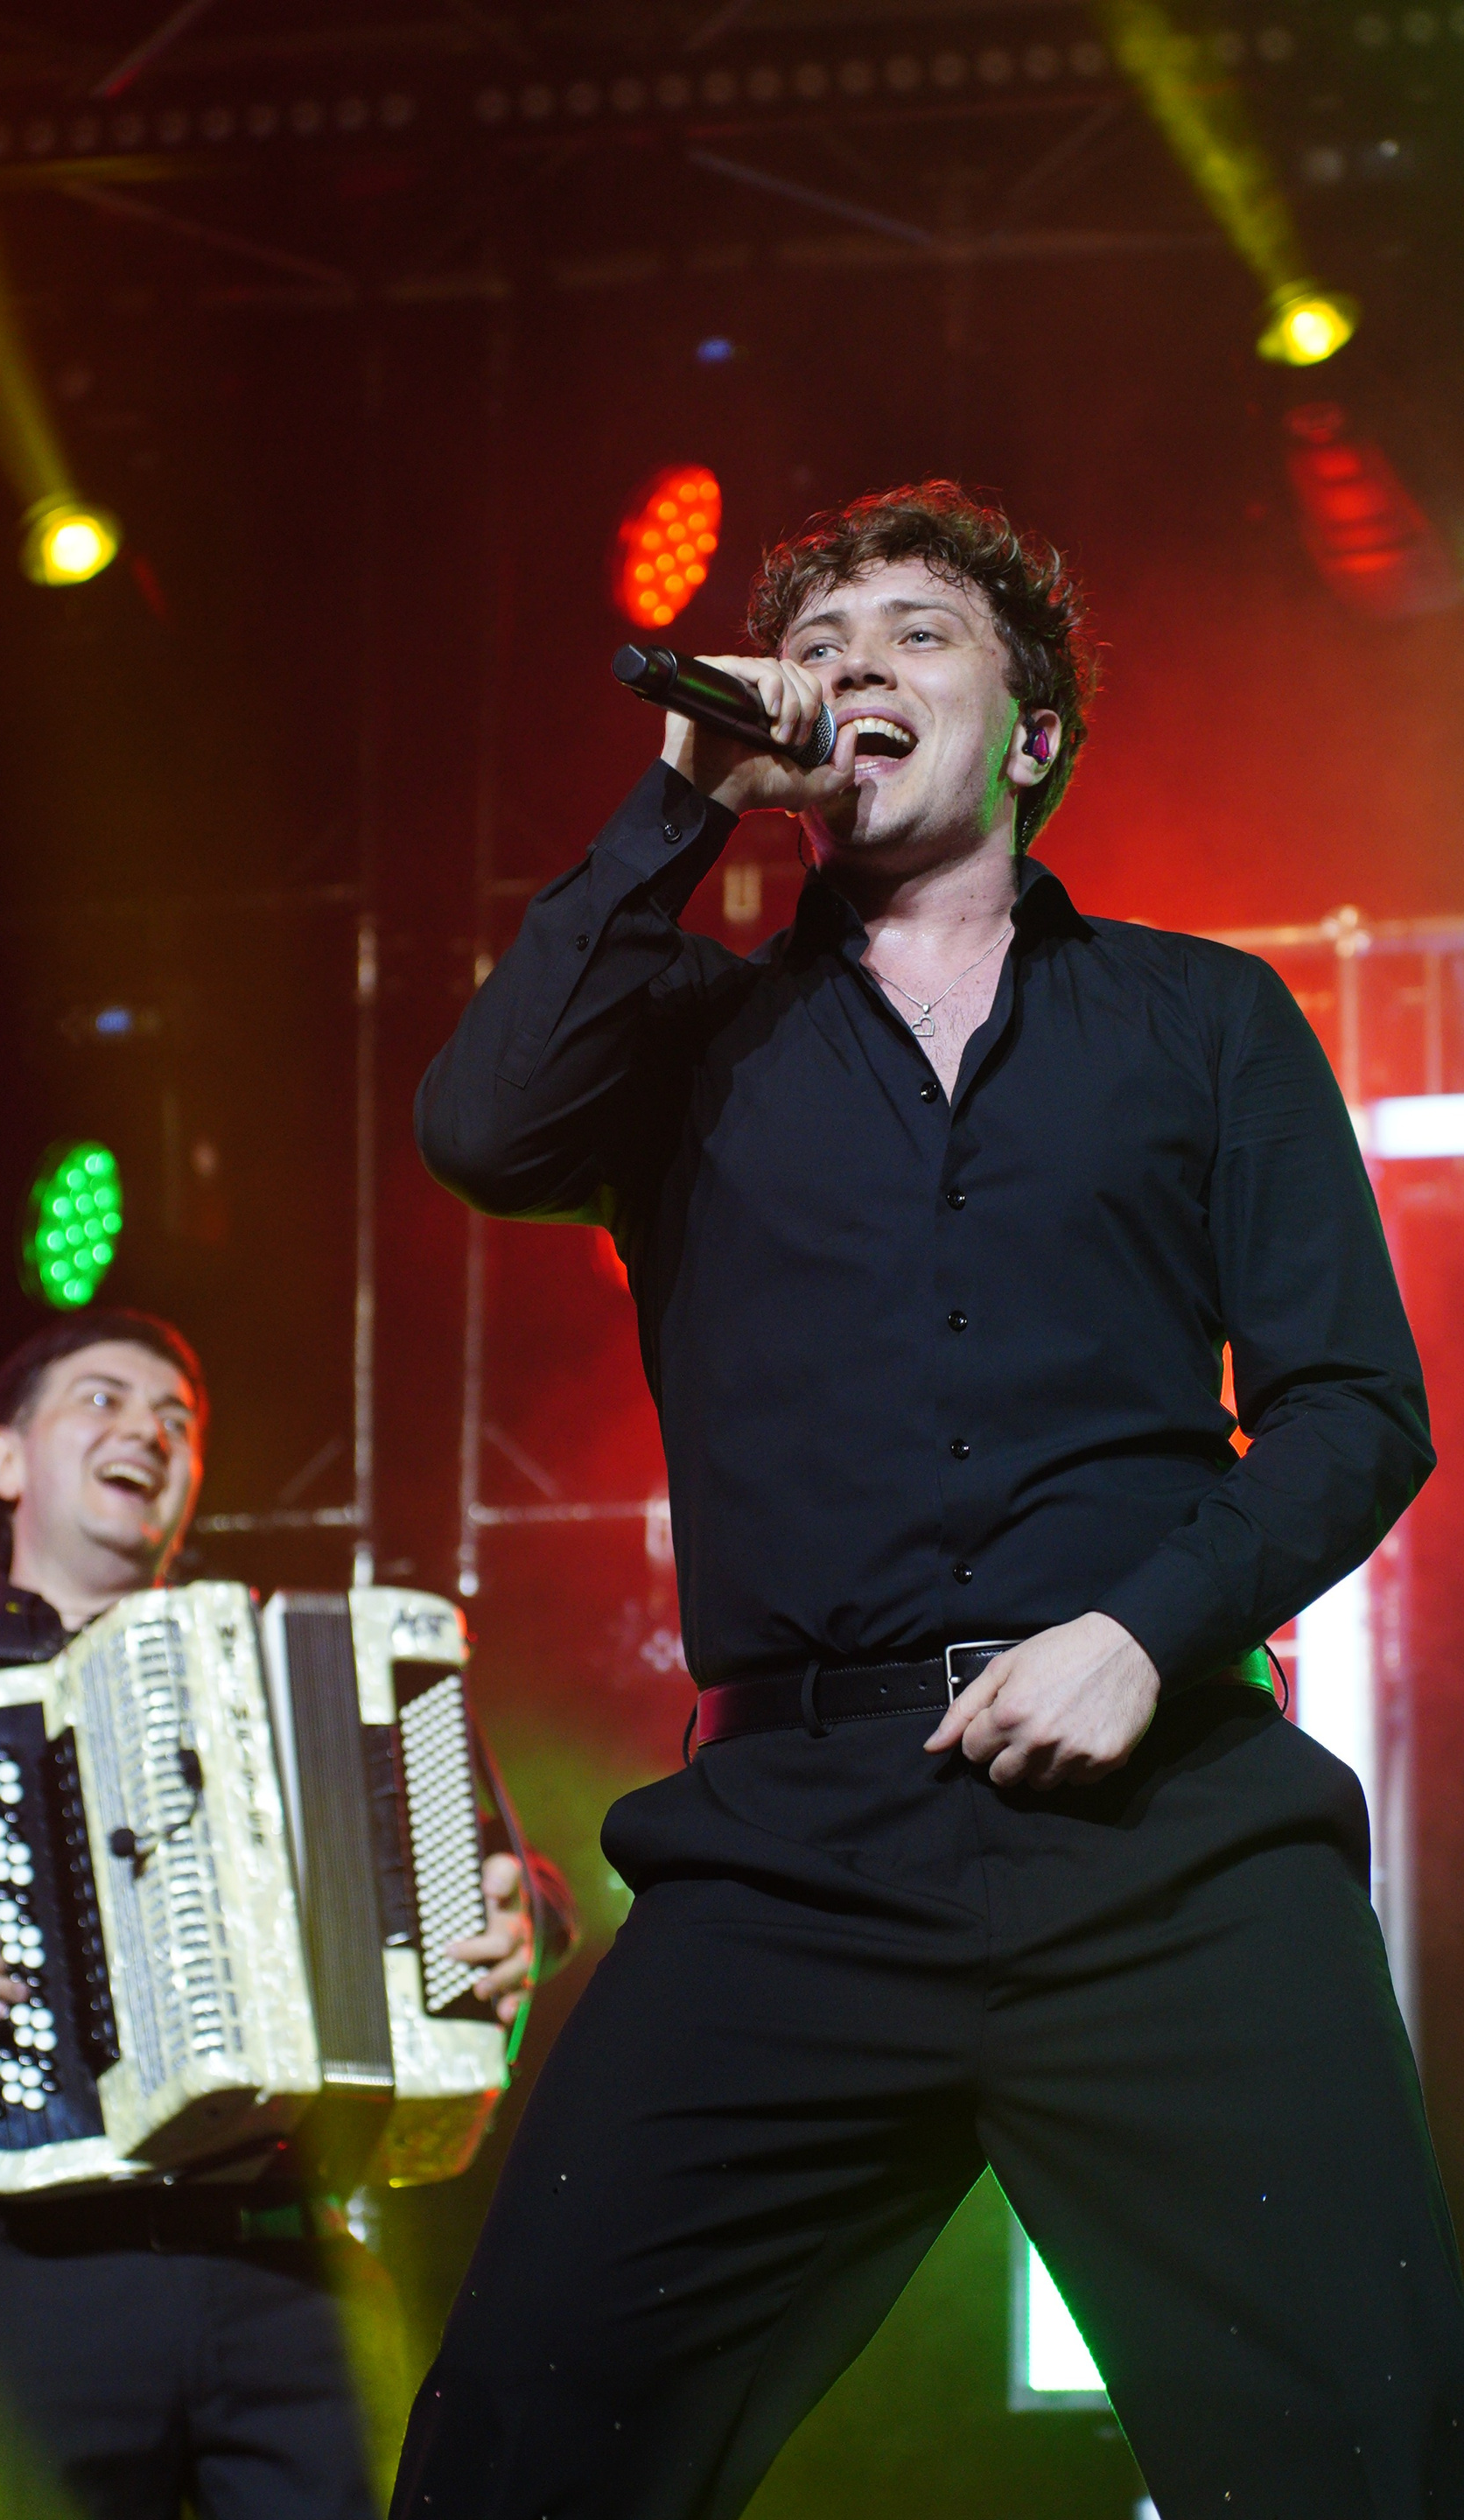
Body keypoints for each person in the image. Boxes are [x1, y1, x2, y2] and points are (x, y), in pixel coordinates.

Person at [393, 480, 1464, 2517]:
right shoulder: (691, 1035)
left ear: (1031, 733)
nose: (851, 665)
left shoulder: (1202, 1018)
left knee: (1360, 2451)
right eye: (821, 641)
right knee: (525, 2449)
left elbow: (1353, 1406)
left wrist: (1143, 1631)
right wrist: (683, 795)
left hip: (1168, 1840)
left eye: (916, 633)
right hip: (792, 1846)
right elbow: (480, 1127)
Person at [0, 1308, 572, 2520]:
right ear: (5, 1459)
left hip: (296, 2271)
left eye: (177, 1421)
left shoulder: (292, 1665)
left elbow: (507, 1878)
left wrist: (525, 1921)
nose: (147, 1432)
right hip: (22, 2287)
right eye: (102, 1399)